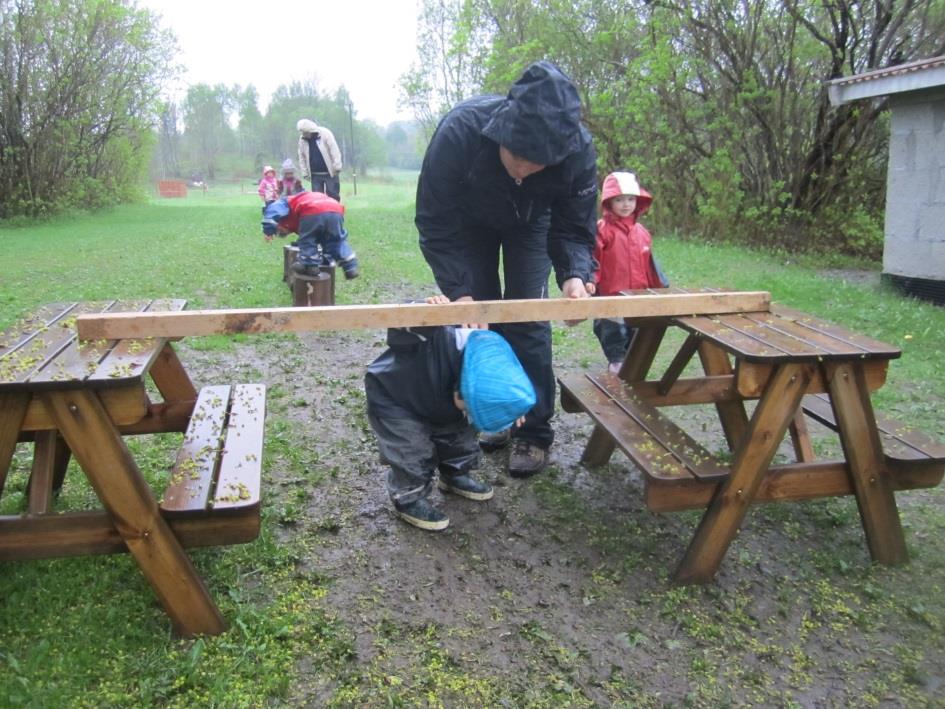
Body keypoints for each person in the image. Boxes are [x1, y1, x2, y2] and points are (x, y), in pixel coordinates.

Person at [414, 60, 598, 478]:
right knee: (482, 321)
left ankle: (532, 431)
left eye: (541, 162)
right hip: (468, 223)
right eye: (519, 155)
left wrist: (575, 275)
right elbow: (435, 221)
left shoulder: (577, 151)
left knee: (528, 320)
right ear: (504, 129)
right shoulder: (460, 132)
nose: (526, 168)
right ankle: (496, 412)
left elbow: (575, 225)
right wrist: (460, 294)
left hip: (533, 223)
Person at [365, 295, 537, 530]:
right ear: (461, 384)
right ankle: (409, 497)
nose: (469, 413)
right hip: (397, 399)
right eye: (468, 406)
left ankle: (455, 474)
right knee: (411, 451)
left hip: (437, 401)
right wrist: (423, 311)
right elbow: (399, 325)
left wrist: (511, 406)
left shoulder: (493, 365)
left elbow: (510, 384)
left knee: (460, 436)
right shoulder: (434, 338)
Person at [592, 171, 669, 374]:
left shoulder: (642, 232)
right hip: (611, 295)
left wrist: (658, 287)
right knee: (612, 331)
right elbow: (594, 259)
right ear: (609, 202)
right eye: (619, 200)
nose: (626, 204)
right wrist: (590, 281)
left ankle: (631, 366)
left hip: (638, 295)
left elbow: (649, 263)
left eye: (630, 199)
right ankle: (616, 361)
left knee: (637, 332)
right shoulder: (602, 230)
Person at [261, 191, 359, 279]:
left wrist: (268, 230)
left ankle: (310, 264)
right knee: (335, 241)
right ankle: (350, 265)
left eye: (279, 230)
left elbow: (271, 212)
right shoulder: (297, 218)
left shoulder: (285, 202)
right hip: (336, 209)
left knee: (307, 239)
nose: (282, 232)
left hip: (312, 209)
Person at [297, 118, 343, 200]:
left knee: (333, 195)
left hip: (330, 172)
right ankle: (320, 213)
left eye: (306, 132)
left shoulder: (325, 133)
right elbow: (302, 157)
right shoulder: (302, 140)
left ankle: (334, 212)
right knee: (317, 199)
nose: (304, 134)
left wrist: (337, 165)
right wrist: (304, 172)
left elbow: (334, 150)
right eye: (303, 132)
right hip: (315, 174)